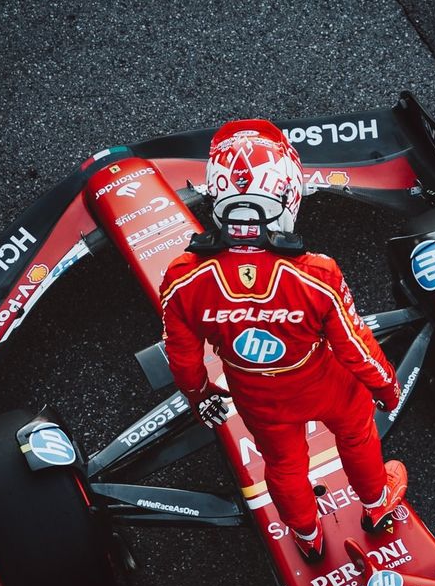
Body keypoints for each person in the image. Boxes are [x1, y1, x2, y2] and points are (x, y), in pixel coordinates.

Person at [160, 118, 407, 562]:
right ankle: (375, 506)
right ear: (287, 193)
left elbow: (182, 359)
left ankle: (308, 538)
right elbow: (355, 346)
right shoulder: (317, 273)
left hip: (255, 393)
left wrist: (201, 396)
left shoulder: (183, 276)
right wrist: (387, 386)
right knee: (356, 431)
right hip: (320, 380)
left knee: (284, 464)